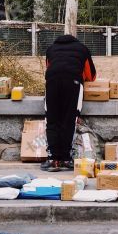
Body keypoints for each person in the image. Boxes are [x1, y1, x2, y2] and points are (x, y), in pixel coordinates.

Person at [41, 34, 97, 172]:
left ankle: (53, 159)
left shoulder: (51, 49)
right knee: (70, 119)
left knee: (52, 119)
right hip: (73, 83)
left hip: (52, 83)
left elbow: (48, 67)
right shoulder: (82, 49)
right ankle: (66, 159)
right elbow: (91, 75)